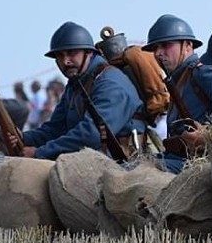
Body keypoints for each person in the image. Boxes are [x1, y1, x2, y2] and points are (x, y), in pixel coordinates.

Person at [9, 22, 145, 160]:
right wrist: (25, 138)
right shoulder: (76, 84)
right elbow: (56, 128)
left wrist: (40, 153)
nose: (65, 61)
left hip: (126, 164)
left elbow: (92, 134)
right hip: (96, 161)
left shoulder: (110, 83)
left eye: (71, 53)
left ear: (88, 53)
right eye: (60, 56)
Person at [142, 14, 212, 173]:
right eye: (155, 48)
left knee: (140, 171)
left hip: (199, 163)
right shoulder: (177, 80)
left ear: (188, 45)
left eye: (165, 45)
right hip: (178, 158)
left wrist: (208, 135)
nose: (158, 53)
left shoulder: (202, 74)